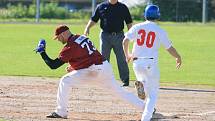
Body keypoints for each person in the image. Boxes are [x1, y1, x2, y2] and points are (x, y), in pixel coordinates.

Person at [34, 25, 145, 119]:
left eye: (58, 37)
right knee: (120, 92)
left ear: (63, 34)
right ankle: (146, 108)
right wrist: (75, 67)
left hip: (94, 71)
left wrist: (42, 53)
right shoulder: (80, 37)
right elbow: (87, 55)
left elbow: (53, 65)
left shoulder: (69, 46)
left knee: (65, 81)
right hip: (105, 68)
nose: (58, 40)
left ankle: (61, 112)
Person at [123, 5, 182, 121]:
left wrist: (128, 55)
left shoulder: (137, 27)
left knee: (144, 82)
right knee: (153, 94)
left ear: (145, 14)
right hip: (150, 63)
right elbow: (169, 48)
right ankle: (146, 118)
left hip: (137, 63)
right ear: (158, 16)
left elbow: (125, 41)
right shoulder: (159, 30)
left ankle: (142, 86)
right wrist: (178, 57)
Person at [84, 0, 132, 86]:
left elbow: (128, 22)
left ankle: (125, 80)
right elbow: (94, 19)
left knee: (121, 58)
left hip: (119, 36)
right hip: (105, 36)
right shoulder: (101, 6)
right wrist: (87, 27)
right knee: (104, 58)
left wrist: (131, 34)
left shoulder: (123, 7)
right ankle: (103, 79)